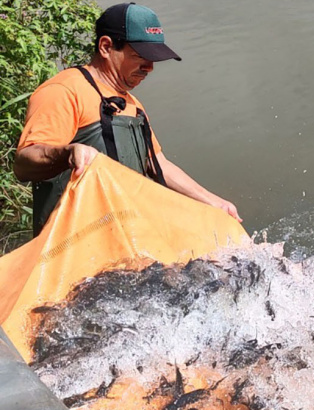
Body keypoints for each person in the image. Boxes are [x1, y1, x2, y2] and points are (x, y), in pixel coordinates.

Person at [13, 2, 241, 236]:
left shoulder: (133, 104)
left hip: (124, 240)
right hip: (72, 246)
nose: (150, 67)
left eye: (154, 59)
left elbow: (157, 163)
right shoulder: (64, 91)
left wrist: (214, 202)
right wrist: (67, 153)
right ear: (106, 47)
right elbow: (23, 164)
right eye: (141, 56)